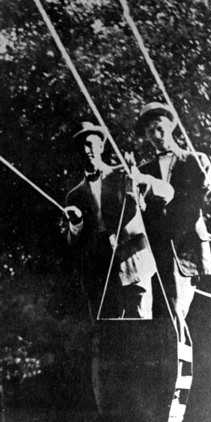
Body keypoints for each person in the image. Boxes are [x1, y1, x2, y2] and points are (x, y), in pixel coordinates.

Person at [64, 121, 174, 322]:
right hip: (101, 274)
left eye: (91, 144)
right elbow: (74, 243)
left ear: (101, 146)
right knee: (108, 339)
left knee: (139, 331)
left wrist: (140, 179)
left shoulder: (124, 174)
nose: (86, 150)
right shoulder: (75, 195)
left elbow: (168, 192)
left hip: (134, 265)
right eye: (81, 146)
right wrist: (76, 224)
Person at [136, 102, 211, 338]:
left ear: (171, 126)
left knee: (176, 311)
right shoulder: (143, 170)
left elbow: (210, 199)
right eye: (149, 131)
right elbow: (140, 211)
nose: (155, 136)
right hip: (158, 251)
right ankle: (171, 371)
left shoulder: (196, 161)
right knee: (164, 314)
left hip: (188, 250)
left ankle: (177, 370)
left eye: (159, 128)